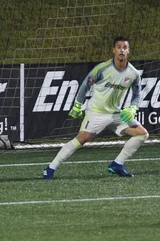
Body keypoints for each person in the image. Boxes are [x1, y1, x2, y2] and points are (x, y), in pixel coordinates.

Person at [43, 36, 149, 179]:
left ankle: (117, 164)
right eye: (119, 47)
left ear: (128, 51)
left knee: (142, 133)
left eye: (125, 47)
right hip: (96, 112)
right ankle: (50, 168)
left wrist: (132, 109)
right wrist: (77, 105)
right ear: (114, 50)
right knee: (82, 139)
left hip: (116, 114)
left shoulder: (134, 74)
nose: (121, 50)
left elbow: (137, 95)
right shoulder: (102, 68)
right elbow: (85, 85)